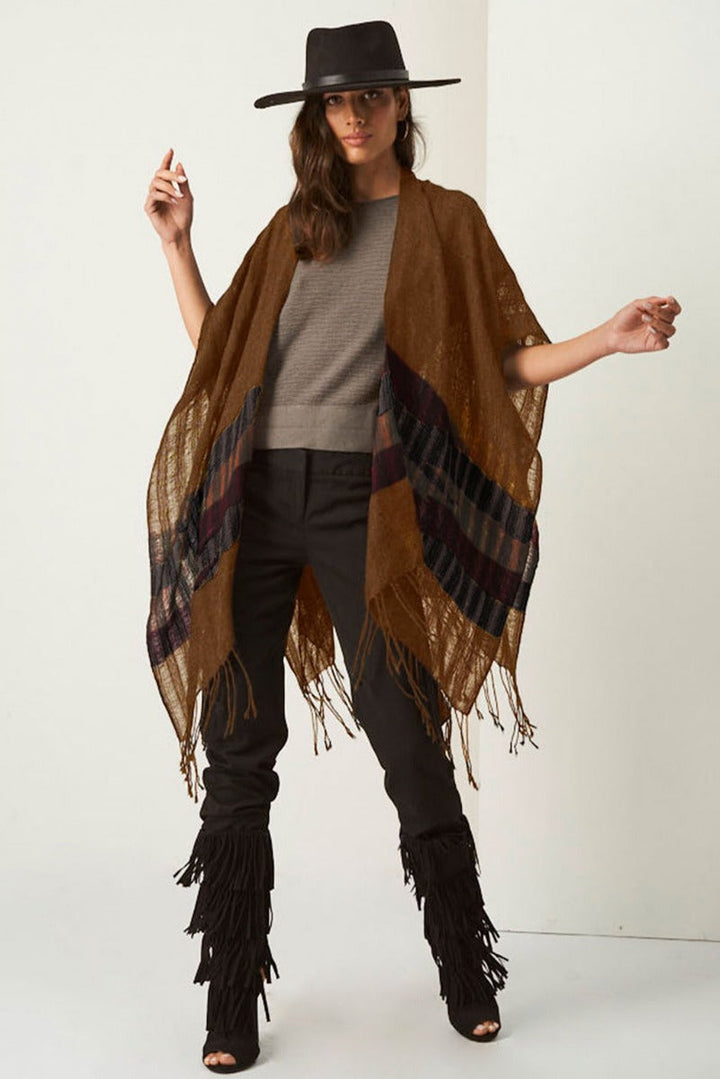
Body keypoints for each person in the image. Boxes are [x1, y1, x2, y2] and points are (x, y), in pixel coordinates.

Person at [143, 20, 681, 1074]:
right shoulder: (295, 227)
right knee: (239, 745)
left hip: (366, 502)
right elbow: (222, 357)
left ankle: (466, 967)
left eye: (371, 97)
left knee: (405, 728)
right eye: (335, 102)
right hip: (257, 500)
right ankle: (231, 998)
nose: (353, 116)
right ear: (318, 116)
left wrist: (607, 340)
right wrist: (177, 246)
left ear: (400, 106)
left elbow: (500, 360)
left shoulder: (446, 222)